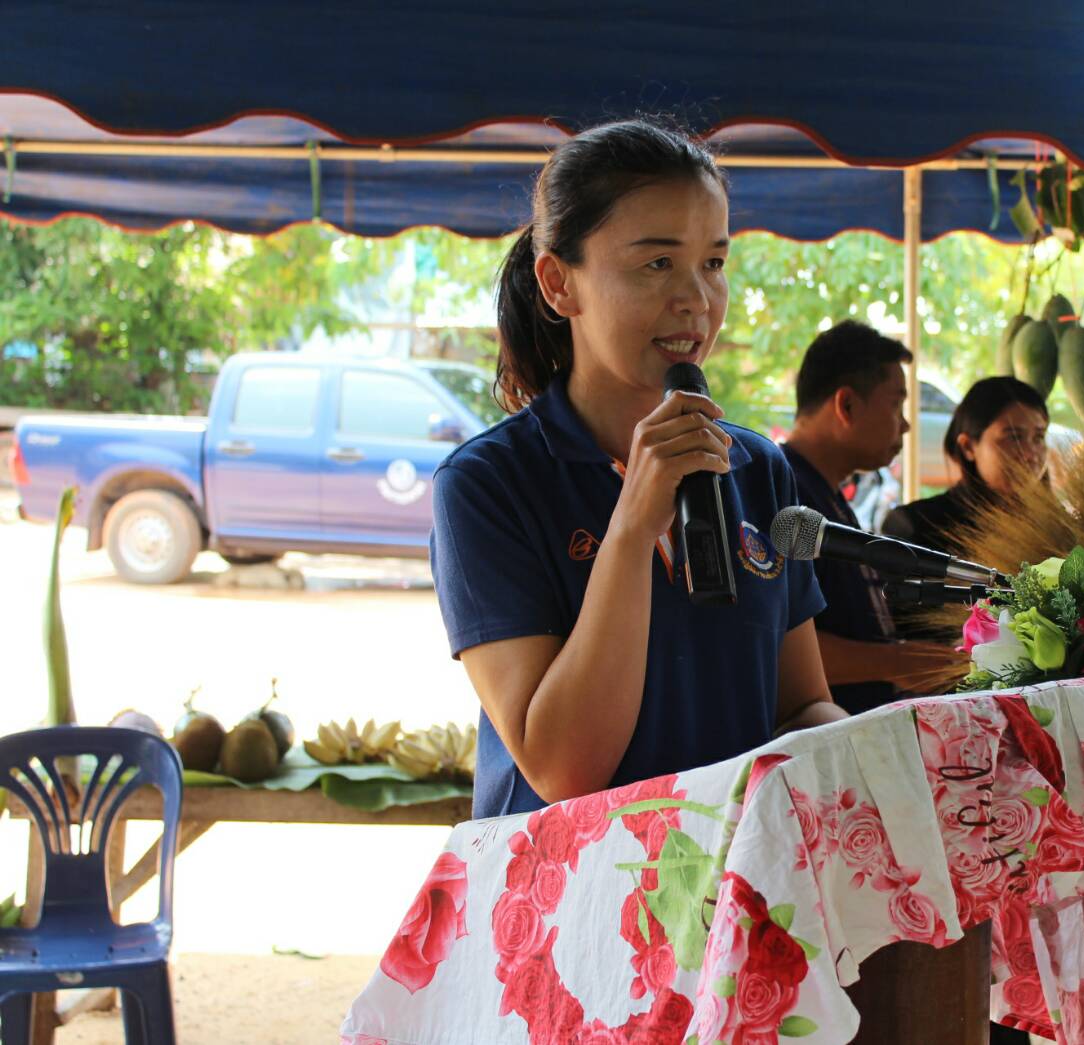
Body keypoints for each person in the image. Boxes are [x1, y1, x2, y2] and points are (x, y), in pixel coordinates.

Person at [430, 120, 845, 819]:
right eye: (656, 263)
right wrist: (631, 526)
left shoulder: (757, 467)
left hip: (729, 894)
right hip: (567, 906)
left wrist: (871, 755)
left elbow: (799, 702)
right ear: (560, 283)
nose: (695, 298)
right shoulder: (487, 484)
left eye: (713, 263)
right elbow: (563, 765)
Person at [781, 321, 953, 714]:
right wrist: (896, 662)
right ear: (847, 405)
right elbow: (773, 643)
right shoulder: (783, 492)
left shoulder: (825, 492)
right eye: (896, 404)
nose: (906, 424)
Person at [881, 376, 1050, 554]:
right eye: (1014, 437)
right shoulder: (917, 528)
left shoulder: (1058, 529)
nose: (1031, 454)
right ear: (968, 447)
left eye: (1039, 437)